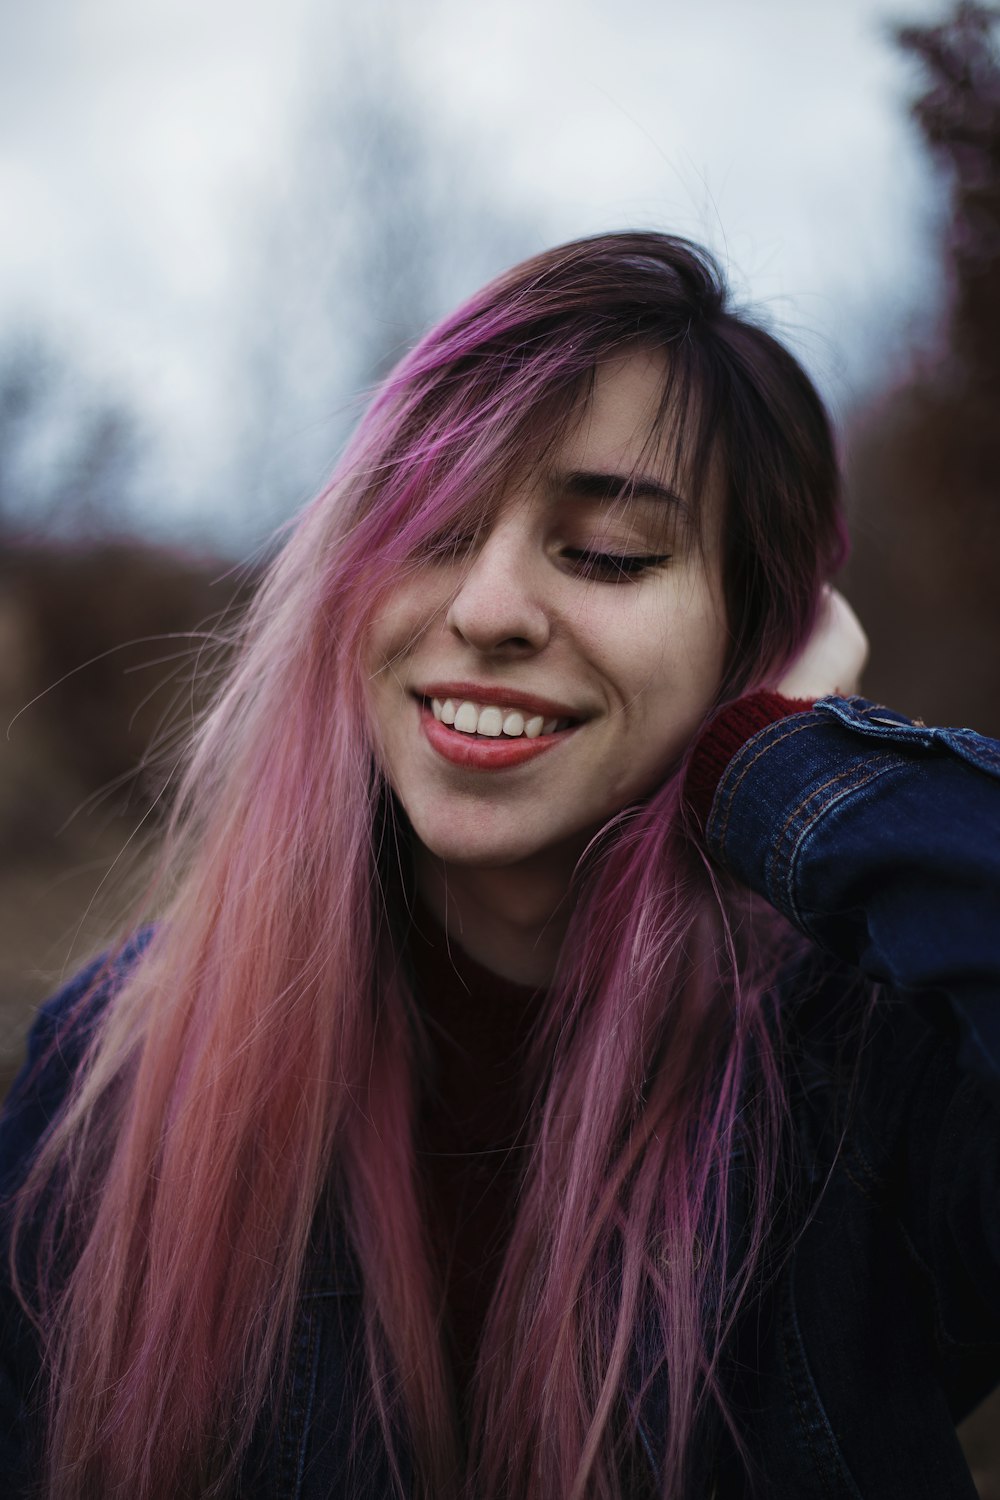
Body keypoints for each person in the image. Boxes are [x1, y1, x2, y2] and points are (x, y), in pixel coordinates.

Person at [0, 230, 997, 1500]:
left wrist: (789, 769)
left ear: (761, 632)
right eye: (430, 530)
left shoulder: (877, 1078)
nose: (486, 608)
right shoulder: (114, 1071)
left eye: (607, 554)